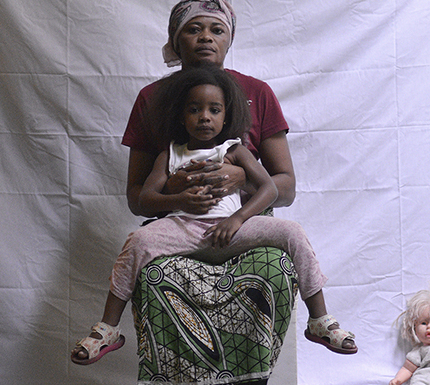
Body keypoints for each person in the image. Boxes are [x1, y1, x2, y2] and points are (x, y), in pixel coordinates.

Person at [80, 0, 349, 385]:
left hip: (238, 227)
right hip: (178, 228)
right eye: (192, 28)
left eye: (216, 29)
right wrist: (178, 194)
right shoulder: (153, 99)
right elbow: (138, 196)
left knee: (269, 273)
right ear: (174, 39)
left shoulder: (256, 93)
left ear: (230, 39)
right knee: (156, 278)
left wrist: (240, 180)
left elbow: (282, 187)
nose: (205, 37)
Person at [71, 65, 354, 367]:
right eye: (194, 109)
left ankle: (320, 320)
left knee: (293, 231)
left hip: (233, 231)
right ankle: (107, 329)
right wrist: (178, 199)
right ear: (182, 116)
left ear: (226, 117)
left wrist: (238, 218)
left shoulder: (234, 150)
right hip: (185, 229)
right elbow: (145, 198)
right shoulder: (170, 153)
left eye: (214, 110)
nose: (204, 116)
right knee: (137, 241)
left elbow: (269, 189)